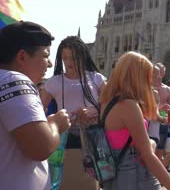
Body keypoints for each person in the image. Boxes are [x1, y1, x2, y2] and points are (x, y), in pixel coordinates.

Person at [0, 21, 70, 189]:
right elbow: (41, 147)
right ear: (22, 57)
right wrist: (55, 124)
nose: (50, 64)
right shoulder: (14, 81)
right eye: (45, 56)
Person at [40, 36, 106, 190]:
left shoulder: (96, 78)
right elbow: (37, 109)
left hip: (93, 142)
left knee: (90, 184)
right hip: (65, 143)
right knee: (64, 183)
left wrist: (93, 111)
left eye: (73, 58)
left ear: (82, 56)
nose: (68, 62)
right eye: (65, 58)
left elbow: (111, 105)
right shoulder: (54, 81)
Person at [99, 51, 170, 189]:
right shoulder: (128, 105)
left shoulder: (107, 101)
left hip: (115, 175)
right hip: (134, 174)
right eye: (147, 77)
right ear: (137, 77)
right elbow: (147, 154)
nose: (149, 82)